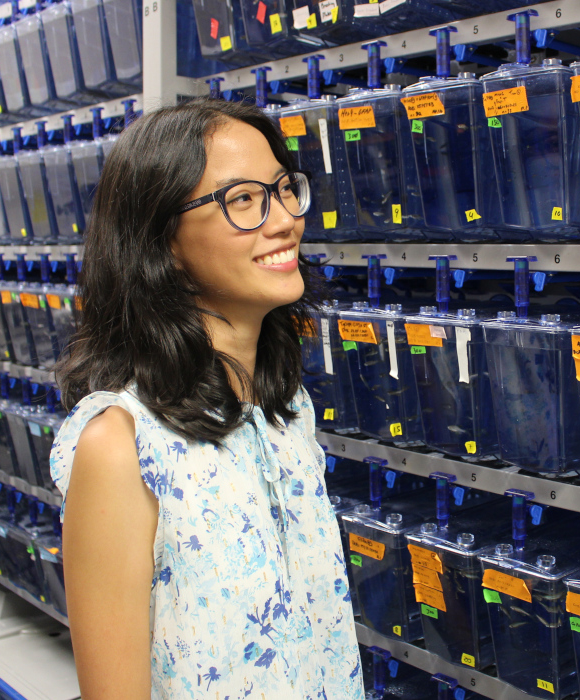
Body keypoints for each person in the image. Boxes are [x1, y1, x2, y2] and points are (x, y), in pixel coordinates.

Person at [50, 98, 364, 699]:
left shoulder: (286, 412)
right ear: (161, 240)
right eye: (242, 199)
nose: (284, 220)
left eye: (283, 189)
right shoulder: (121, 447)